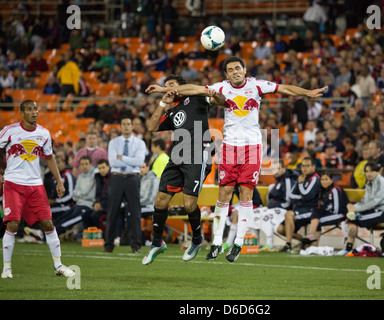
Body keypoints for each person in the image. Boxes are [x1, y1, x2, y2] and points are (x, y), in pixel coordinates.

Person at [146, 56, 326, 262]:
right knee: (224, 193)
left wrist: (308, 93)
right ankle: (216, 243)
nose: (235, 72)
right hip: (230, 146)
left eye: (237, 68)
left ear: (245, 69)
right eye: (230, 70)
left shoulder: (257, 85)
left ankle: (238, 243)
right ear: (226, 74)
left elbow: (284, 88)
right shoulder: (221, 87)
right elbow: (192, 89)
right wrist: (162, 91)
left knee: (246, 194)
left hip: (251, 147)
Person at [142, 75, 225, 264]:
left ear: (182, 86)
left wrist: (163, 89)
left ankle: (196, 239)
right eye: (166, 85)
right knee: (161, 200)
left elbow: (217, 99)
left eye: (172, 85)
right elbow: (152, 127)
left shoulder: (195, 97)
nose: (168, 88)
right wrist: (163, 101)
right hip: (177, 156)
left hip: (198, 154)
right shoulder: (172, 112)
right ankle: (157, 242)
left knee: (189, 204)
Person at [0, 100, 75, 278]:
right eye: (29, 109)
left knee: (48, 223)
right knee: (12, 224)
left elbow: (49, 158)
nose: (33, 112)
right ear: (22, 113)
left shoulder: (44, 133)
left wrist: (59, 181)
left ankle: (58, 266)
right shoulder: (10, 131)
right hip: (13, 184)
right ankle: (7, 268)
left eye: (35, 109)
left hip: (35, 185)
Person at [104, 116, 146, 254]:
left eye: (129, 124)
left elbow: (139, 162)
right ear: (120, 127)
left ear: (132, 126)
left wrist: (122, 157)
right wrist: (130, 161)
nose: (127, 126)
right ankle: (108, 245)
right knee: (112, 212)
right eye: (124, 124)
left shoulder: (140, 143)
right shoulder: (113, 142)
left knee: (135, 213)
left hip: (133, 178)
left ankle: (136, 245)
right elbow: (113, 163)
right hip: (117, 178)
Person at [338, 160, 384, 256]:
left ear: (377, 172)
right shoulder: (369, 183)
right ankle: (348, 249)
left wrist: (356, 209)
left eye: (371, 171)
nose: (369, 174)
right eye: (367, 171)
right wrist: (354, 207)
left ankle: (349, 249)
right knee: (353, 217)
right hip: (377, 211)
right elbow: (365, 201)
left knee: (355, 217)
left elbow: (374, 202)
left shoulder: (380, 182)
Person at [277, 157, 321, 252]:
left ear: (313, 167)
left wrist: (300, 186)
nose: (304, 168)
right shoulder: (301, 178)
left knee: (289, 214)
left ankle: (288, 245)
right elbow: (291, 195)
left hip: (311, 210)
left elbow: (307, 196)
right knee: (280, 229)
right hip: (300, 209)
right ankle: (303, 240)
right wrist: (301, 197)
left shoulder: (315, 179)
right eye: (303, 166)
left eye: (307, 166)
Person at [302, 171, 348, 246]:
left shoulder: (335, 189)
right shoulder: (322, 190)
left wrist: (324, 210)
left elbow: (337, 209)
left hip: (340, 214)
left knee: (318, 222)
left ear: (331, 180)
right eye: (322, 180)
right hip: (329, 213)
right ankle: (313, 239)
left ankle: (313, 242)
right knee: (316, 210)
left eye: (326, 179)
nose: (324, 182)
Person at [55, 155, 96, 238]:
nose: (84, 166)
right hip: (78, 204)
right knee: (62, 217)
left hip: (87, 206)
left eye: (86, 164)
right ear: (79, 166)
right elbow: (74, 195)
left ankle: (52, 235)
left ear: (91, 164)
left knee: (67, 221)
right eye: (82, 164)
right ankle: (47, 233)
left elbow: (87, 193)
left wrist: (80, 194)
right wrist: (81, 194)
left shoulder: (94, 176)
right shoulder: (80, 176)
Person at [82, 159, 111, 231]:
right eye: (99, 168)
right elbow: (97, 195)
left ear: (108, 167)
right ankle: (89, 236)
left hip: (109, 207)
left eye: (103, 167)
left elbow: (111, 196)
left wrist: (101, 205)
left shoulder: (113, 178)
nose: (101, 170)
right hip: (99, 205)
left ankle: (103, 237)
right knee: (85, 215)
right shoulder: (98, 178)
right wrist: (96, 204)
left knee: (96, 216)